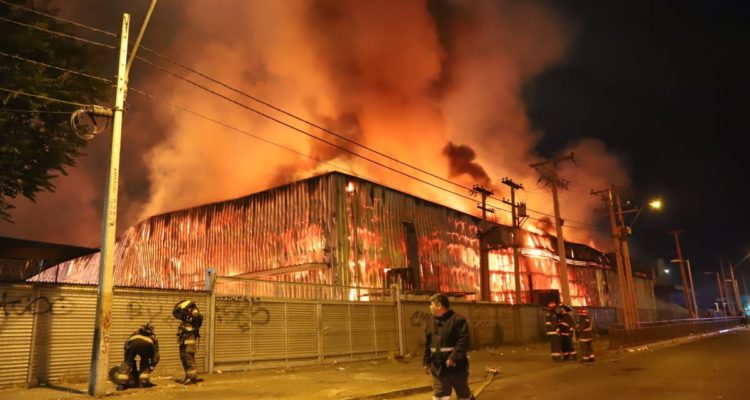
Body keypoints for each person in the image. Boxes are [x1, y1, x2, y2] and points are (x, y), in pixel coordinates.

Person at [423, 293, 475, 400]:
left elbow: (463, 341)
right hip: (437, 366)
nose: (430, 307)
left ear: (439, 305)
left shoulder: (458, 320)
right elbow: (428, 344)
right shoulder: (431, 322)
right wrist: (427, 361)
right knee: (440, 394)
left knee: (463, 393)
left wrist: (453, 357)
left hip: (455, 366)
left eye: (432, 304)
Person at [115, 323, 160, 390]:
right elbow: (156, 354)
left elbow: (126, 345)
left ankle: (122, 384)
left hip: (132, 344)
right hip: (147, 346)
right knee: (145, 361)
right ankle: (144, 382)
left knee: (127, 362)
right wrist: (152, 365)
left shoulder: (134, 334)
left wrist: (128, 359)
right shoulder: (153, 337)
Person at [173, 299, 203, 384]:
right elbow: (175, 313)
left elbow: (196, 321)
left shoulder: (195, 314)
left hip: (189, 340)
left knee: (189, 358)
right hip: (183, 340)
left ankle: (192, 378)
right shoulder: (186, 316)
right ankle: (187, 376)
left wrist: (191, 313)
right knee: (183, 358)